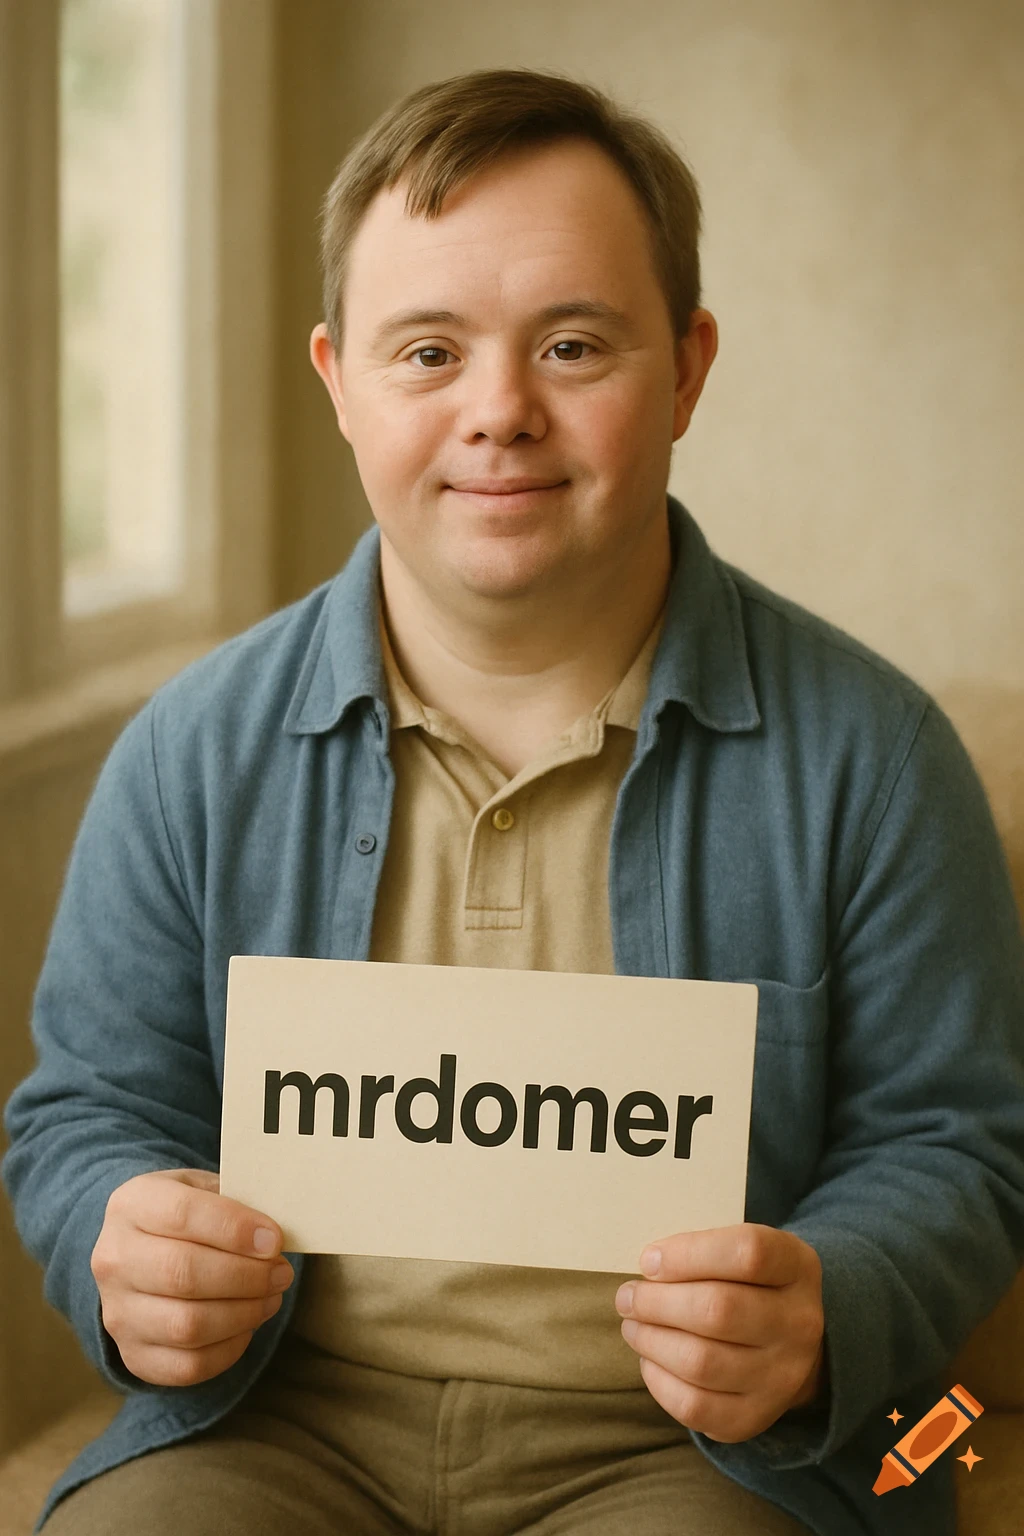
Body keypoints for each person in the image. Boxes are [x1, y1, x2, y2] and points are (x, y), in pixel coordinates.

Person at [3, 64, 1024, 1536]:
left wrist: (829, 1302)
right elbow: (88, 1111)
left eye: (571, 345)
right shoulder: (189, 752)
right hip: (272, 1424)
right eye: (426, 352)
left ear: (686, 368)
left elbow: (958, 1142)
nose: (500, 412)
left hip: (691, 1457)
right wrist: (119, 1235)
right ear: (337, 380)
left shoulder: (875, 755)